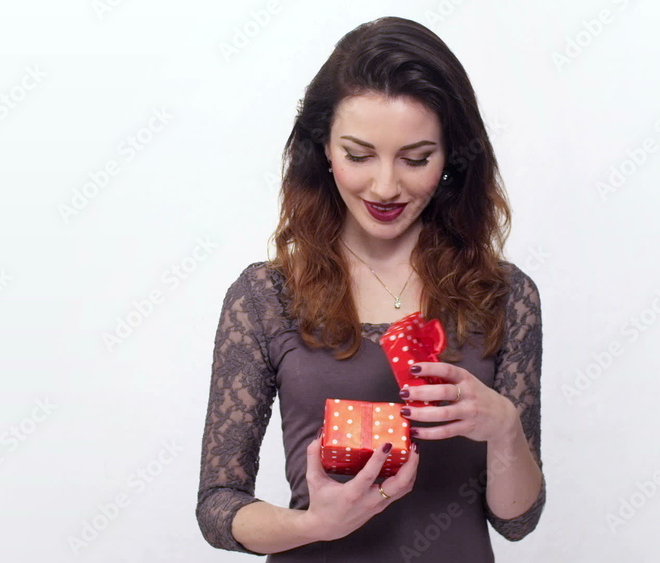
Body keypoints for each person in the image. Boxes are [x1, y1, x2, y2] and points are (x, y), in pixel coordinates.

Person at [195, 16, 545, 561]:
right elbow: (219, 505)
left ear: (452, 157)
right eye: (359, 155)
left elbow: (517, 521)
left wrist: (504, 428)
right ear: (324, 150)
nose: (385, 186)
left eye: (416, 159)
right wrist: (314, 524)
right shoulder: (266, 296)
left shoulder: (504, 295)